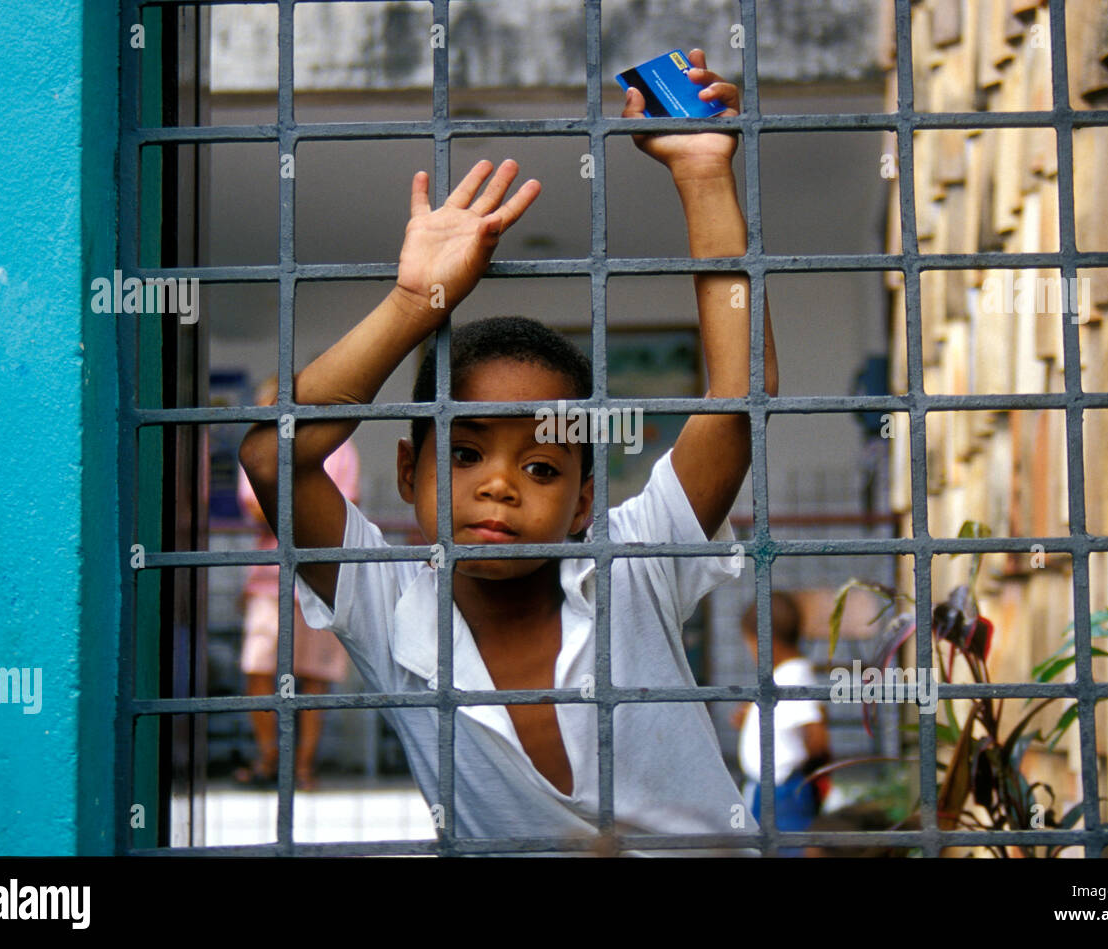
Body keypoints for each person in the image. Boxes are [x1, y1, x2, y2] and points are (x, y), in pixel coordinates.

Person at [238, 49, 778, 853]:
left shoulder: (632, 563)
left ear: (586, 499)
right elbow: (275, 456)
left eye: (542, 466)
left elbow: (740, 395)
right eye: (463, 455)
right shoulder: (388, 609)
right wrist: (415, 301)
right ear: (407, 471)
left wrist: (703, 174)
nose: (498, 487)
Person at [234, 375, 361, 791]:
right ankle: (272, 759)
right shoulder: (256, 446)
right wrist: (308, 507)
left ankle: (302, 767)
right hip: (270, 579)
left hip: (316, 576)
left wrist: (281, 503)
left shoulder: (340, 447)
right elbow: (253, 508)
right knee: (258, 669)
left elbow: (344, 508)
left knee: (314, 677)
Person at [733, 592, 832, 853]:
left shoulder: (795, 674)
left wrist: (808, 767)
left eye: (751, 645)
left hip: (783, 792)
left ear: (766, 642)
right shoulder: (783, 675)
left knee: (789, 850)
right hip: (767, 789)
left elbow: (817, 736)